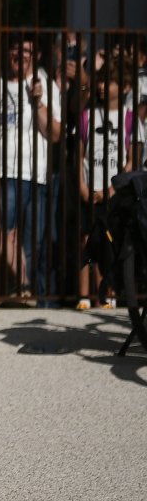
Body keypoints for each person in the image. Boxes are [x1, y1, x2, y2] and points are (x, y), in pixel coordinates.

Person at [0, 36, 62, 301]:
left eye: (27, 50)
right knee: (5, 233)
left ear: (36, 56)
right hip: (4, 171)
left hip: (35, 173)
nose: (20, 54)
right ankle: (23, 287)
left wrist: (37, 102)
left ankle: (30, 295)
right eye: (16, 49)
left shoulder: (45, 84)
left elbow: (55, 133)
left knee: (33, 243)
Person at [78, 53, 139, 309]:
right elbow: (79, 155)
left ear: (124, 87)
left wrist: (113, 189)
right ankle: (84, 295)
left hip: (115, 191)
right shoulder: (87, 115)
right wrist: (82, 185)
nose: (103, 86)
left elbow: (132, 161)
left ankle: (108, 293)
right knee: (86, 238)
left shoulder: (130, 118)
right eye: (101, 81)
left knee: (111, 240)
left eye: (109, 82)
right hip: (90, 186)